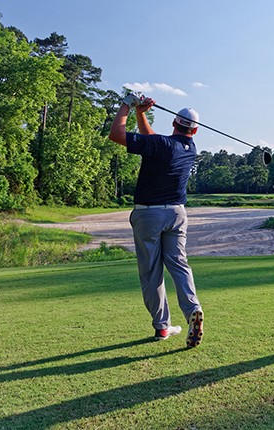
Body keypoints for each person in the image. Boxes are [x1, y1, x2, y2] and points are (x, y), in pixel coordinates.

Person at [108, 93, 204, 348]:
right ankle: (193, 309)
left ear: (174, 123)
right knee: (179, 264)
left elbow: (116, 135)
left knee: (151, 272)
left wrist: (127, 105)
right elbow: (153, 141)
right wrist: (141, 113)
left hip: (148, 214)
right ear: (194, 131)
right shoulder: (190, 149)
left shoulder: (161, 144)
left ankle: (162, 327)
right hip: (177, 214)